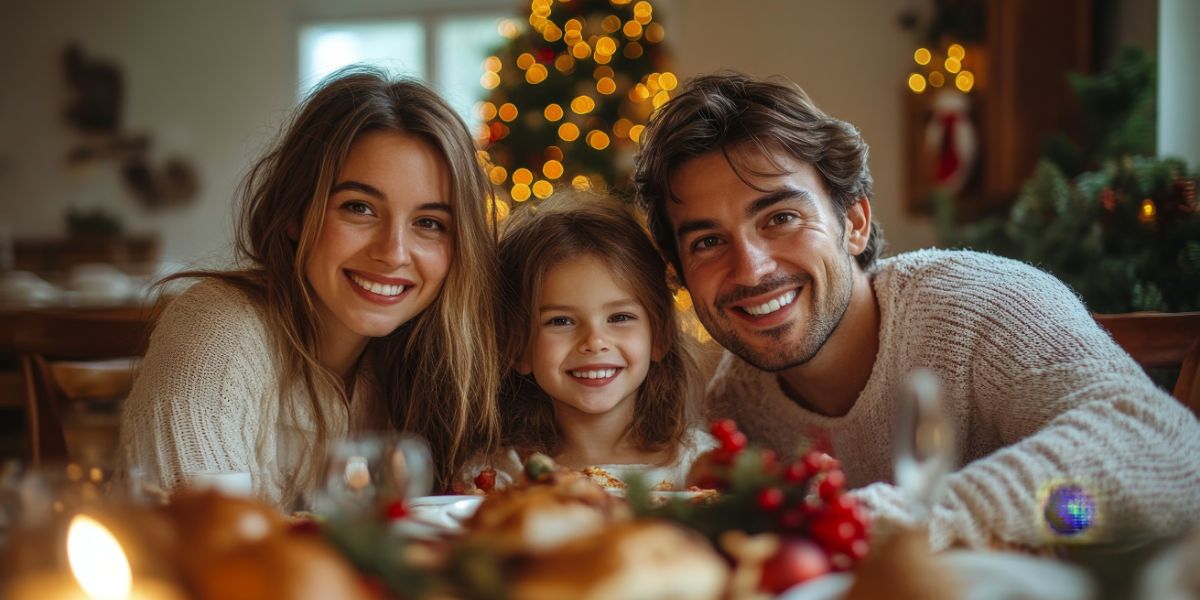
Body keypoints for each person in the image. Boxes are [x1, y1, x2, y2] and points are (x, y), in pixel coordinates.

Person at [632, 71, 1200, 550]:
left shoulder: (982, 305)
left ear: (852, 222)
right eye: (707, 241)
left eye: (780, 217)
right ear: (681, 273)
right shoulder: (736, 406)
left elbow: (1171, 453)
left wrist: (915, 519)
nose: (751, 269)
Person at [118, 68, 503, 509]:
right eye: (359, 208)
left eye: (429, 223)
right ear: (294, 213)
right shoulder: (217, 330)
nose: (394, 252)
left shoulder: (430, 360)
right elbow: (207, 547)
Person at [463, 192, 715, 491]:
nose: (594, 342)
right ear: (519, 349)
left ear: (659, 337)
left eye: (619, 317)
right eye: (561, 321)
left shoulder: (701, 466)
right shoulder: (494, 477)